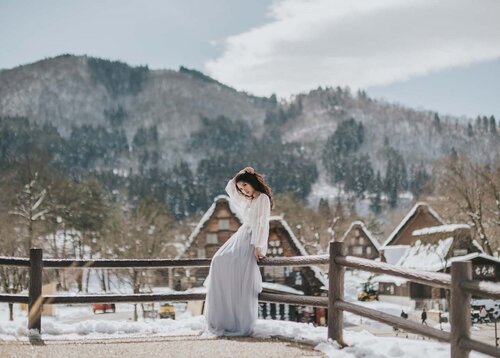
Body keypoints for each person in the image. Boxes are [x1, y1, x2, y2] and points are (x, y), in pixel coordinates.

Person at [203, 166, 274, 336]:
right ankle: (225, 317)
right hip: (241, 236)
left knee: (235, 273)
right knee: (218, 261)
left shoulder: (262, 198)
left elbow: (262, 223)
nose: (243, 191)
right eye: (241, 188)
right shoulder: (248, 200)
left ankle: (238, 319)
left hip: (250, 239)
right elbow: (230, 188)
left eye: (245, 186)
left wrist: (258, 245)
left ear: (252, 182)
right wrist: (241, 173)